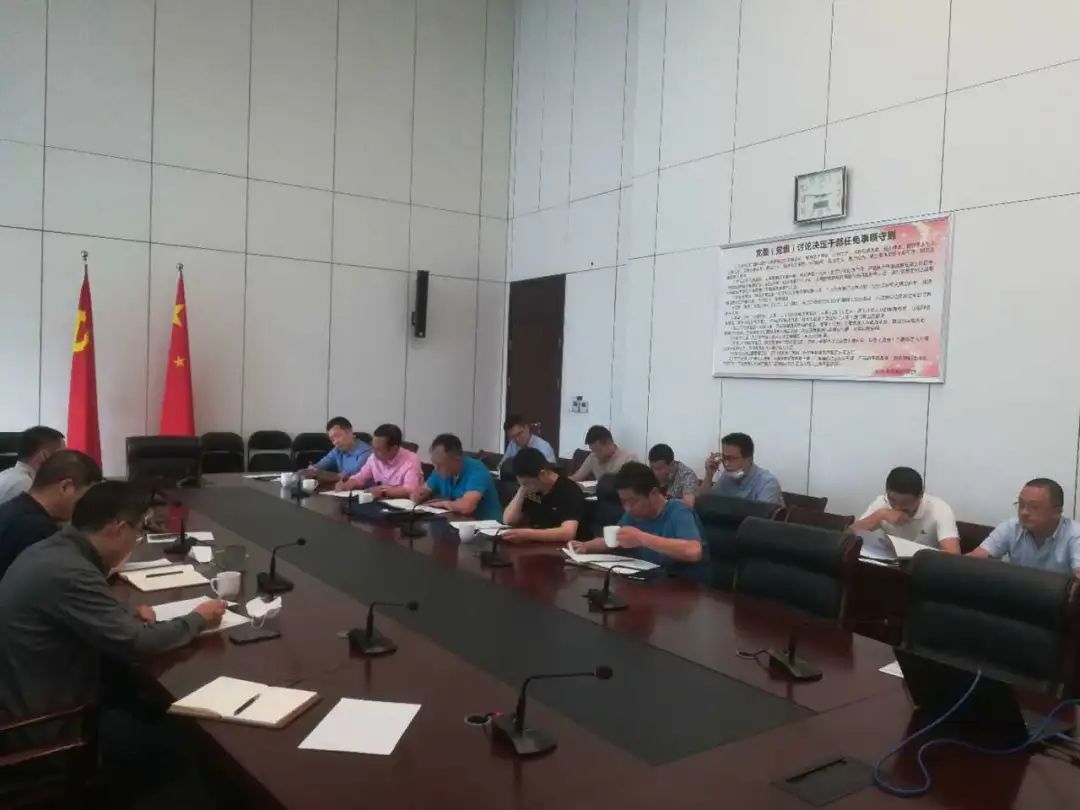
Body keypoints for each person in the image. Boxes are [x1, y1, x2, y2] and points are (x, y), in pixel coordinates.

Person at [0, 480, 226, 742]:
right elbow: (137, 642)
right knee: (178, 737)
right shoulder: (70, 571)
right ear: (118, 530)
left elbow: (77, 608)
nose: (136, 541)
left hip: (27, 693)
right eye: (137, 531)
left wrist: (122, 615)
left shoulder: (55, 550)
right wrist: (198, 619)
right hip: (45, 723)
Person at [571, 462, 705, 580]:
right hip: (649, 582)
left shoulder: (678, 511)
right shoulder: (633, 514)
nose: (627, 508)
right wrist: (585, 546)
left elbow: (693, 551)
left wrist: (642, 538)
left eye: (633, 501)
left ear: (653, 493)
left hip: (683, 588)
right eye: (623, 502)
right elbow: (615, 538)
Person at [0, 450, 103, 581]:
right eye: (85, 498)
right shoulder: (35, 529)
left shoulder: (16, 508)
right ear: (65, 487)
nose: (86, 507)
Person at [968, 478, 1080, 580]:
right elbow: (971, 561)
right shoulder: (1011, 527)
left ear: (1057, 512)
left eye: (1034, 507)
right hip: (1017, 592)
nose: (1024, 512)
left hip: (1058, 595)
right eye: (1021, 505)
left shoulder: (1075, 535)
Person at [853, 467, 961, 554]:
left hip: (925, 567)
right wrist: (880, 515)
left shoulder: (940, 509)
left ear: (920, 496)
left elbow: (953, 555)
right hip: (890, 565)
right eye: (892, 500)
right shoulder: (882, 503)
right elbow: (849, 536)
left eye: (905, 503)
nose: (897, 508)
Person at [501, 447, 585, 544]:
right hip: (537, 543)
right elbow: (508, 520)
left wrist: (529, 535)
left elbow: (568, 532)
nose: (525, 487)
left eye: (527, 483)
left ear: (542, 474)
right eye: (522, 484)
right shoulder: (533, 491)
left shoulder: (569, 490)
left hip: (563, 546)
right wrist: (522, 491)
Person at [414, 433, 502, 521]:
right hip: (457, 522)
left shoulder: (477, 470)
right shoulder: (439, 470)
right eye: (434, 463)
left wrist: (444, 504)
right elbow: (421, 492)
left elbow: (467, 506)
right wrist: (420, 494)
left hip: (487, 525)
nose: (436, 469)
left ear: (457, 459)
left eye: (441, 465)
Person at [335, 423, 423, 499]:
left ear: (394, 449)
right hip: (382, 504)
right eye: (373, 447)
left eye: (378, 449)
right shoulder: (374, 458)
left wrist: (383, 492)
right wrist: (348, 484)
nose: (374, 452)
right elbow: (360, 477)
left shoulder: (411, 459)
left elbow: (411, 489)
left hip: (403, 508)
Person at [699, 432, 783, 506]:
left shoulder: (768, 483)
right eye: (724, 458)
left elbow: (762, 517)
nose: (726, 464)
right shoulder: (727, 476)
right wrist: (709, 475)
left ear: (749, 459)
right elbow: (704, 503)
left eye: (732, 459)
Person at [0, 425, 65, 506]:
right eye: (62, 456)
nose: (64, 461)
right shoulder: (24, 484)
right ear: (44, 456)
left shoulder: (11, 475)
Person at [305, 417, 371, 484]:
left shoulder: (366, 452)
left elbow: (347, 476)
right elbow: (320, 465)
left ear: (349, 431)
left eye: (337, 436)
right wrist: (312, 469)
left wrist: (318, 472)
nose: (335, 442)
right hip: (343, 488)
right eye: (332, 440)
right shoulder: (338, 450)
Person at [569, 425, 636, 482]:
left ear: (609, 443)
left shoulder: (628, 459)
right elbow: (577, 477)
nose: (595, 455)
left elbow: (633, 486)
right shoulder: (593, 456)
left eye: (598, 450)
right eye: (592, 450)